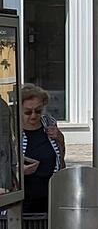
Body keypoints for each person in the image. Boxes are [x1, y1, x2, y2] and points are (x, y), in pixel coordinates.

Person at [20, 84, 65, 213]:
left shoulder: (49, 123)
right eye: (28, 112)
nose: (33, 115)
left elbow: (60, 157)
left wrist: (60, 138)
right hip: (22, 200)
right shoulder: (12, 130)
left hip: (50, 196)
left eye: (38, 111)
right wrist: (19, 172)